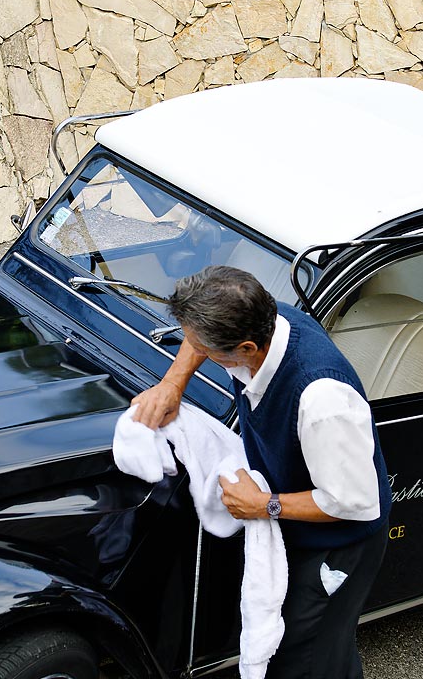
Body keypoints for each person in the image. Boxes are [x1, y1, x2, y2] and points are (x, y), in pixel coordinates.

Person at [132, 266, 391, 679]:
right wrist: (172, 385)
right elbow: (198, 340)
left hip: (336, 543)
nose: (193, 348)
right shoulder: (260, 315)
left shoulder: (322, 399)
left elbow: (354, 501)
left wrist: (264, 505)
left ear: (247, 348)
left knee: (304, 658)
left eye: (203, 347)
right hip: (296, 522)